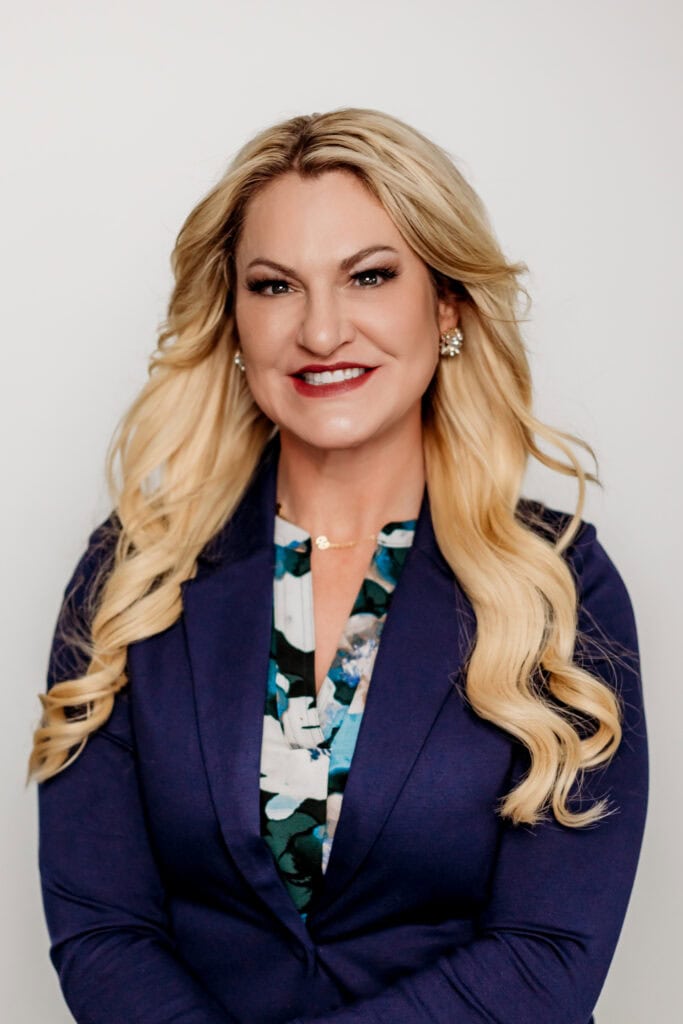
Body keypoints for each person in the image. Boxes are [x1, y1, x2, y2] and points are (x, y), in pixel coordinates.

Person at [29, 108, 648, 1024]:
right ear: (233, 321)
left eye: (368, 276)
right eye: (275, 286)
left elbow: (546, 954)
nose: (321, 331)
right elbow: (103, 930)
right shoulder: (135, 573)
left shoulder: (557, 581)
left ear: (445, 304)